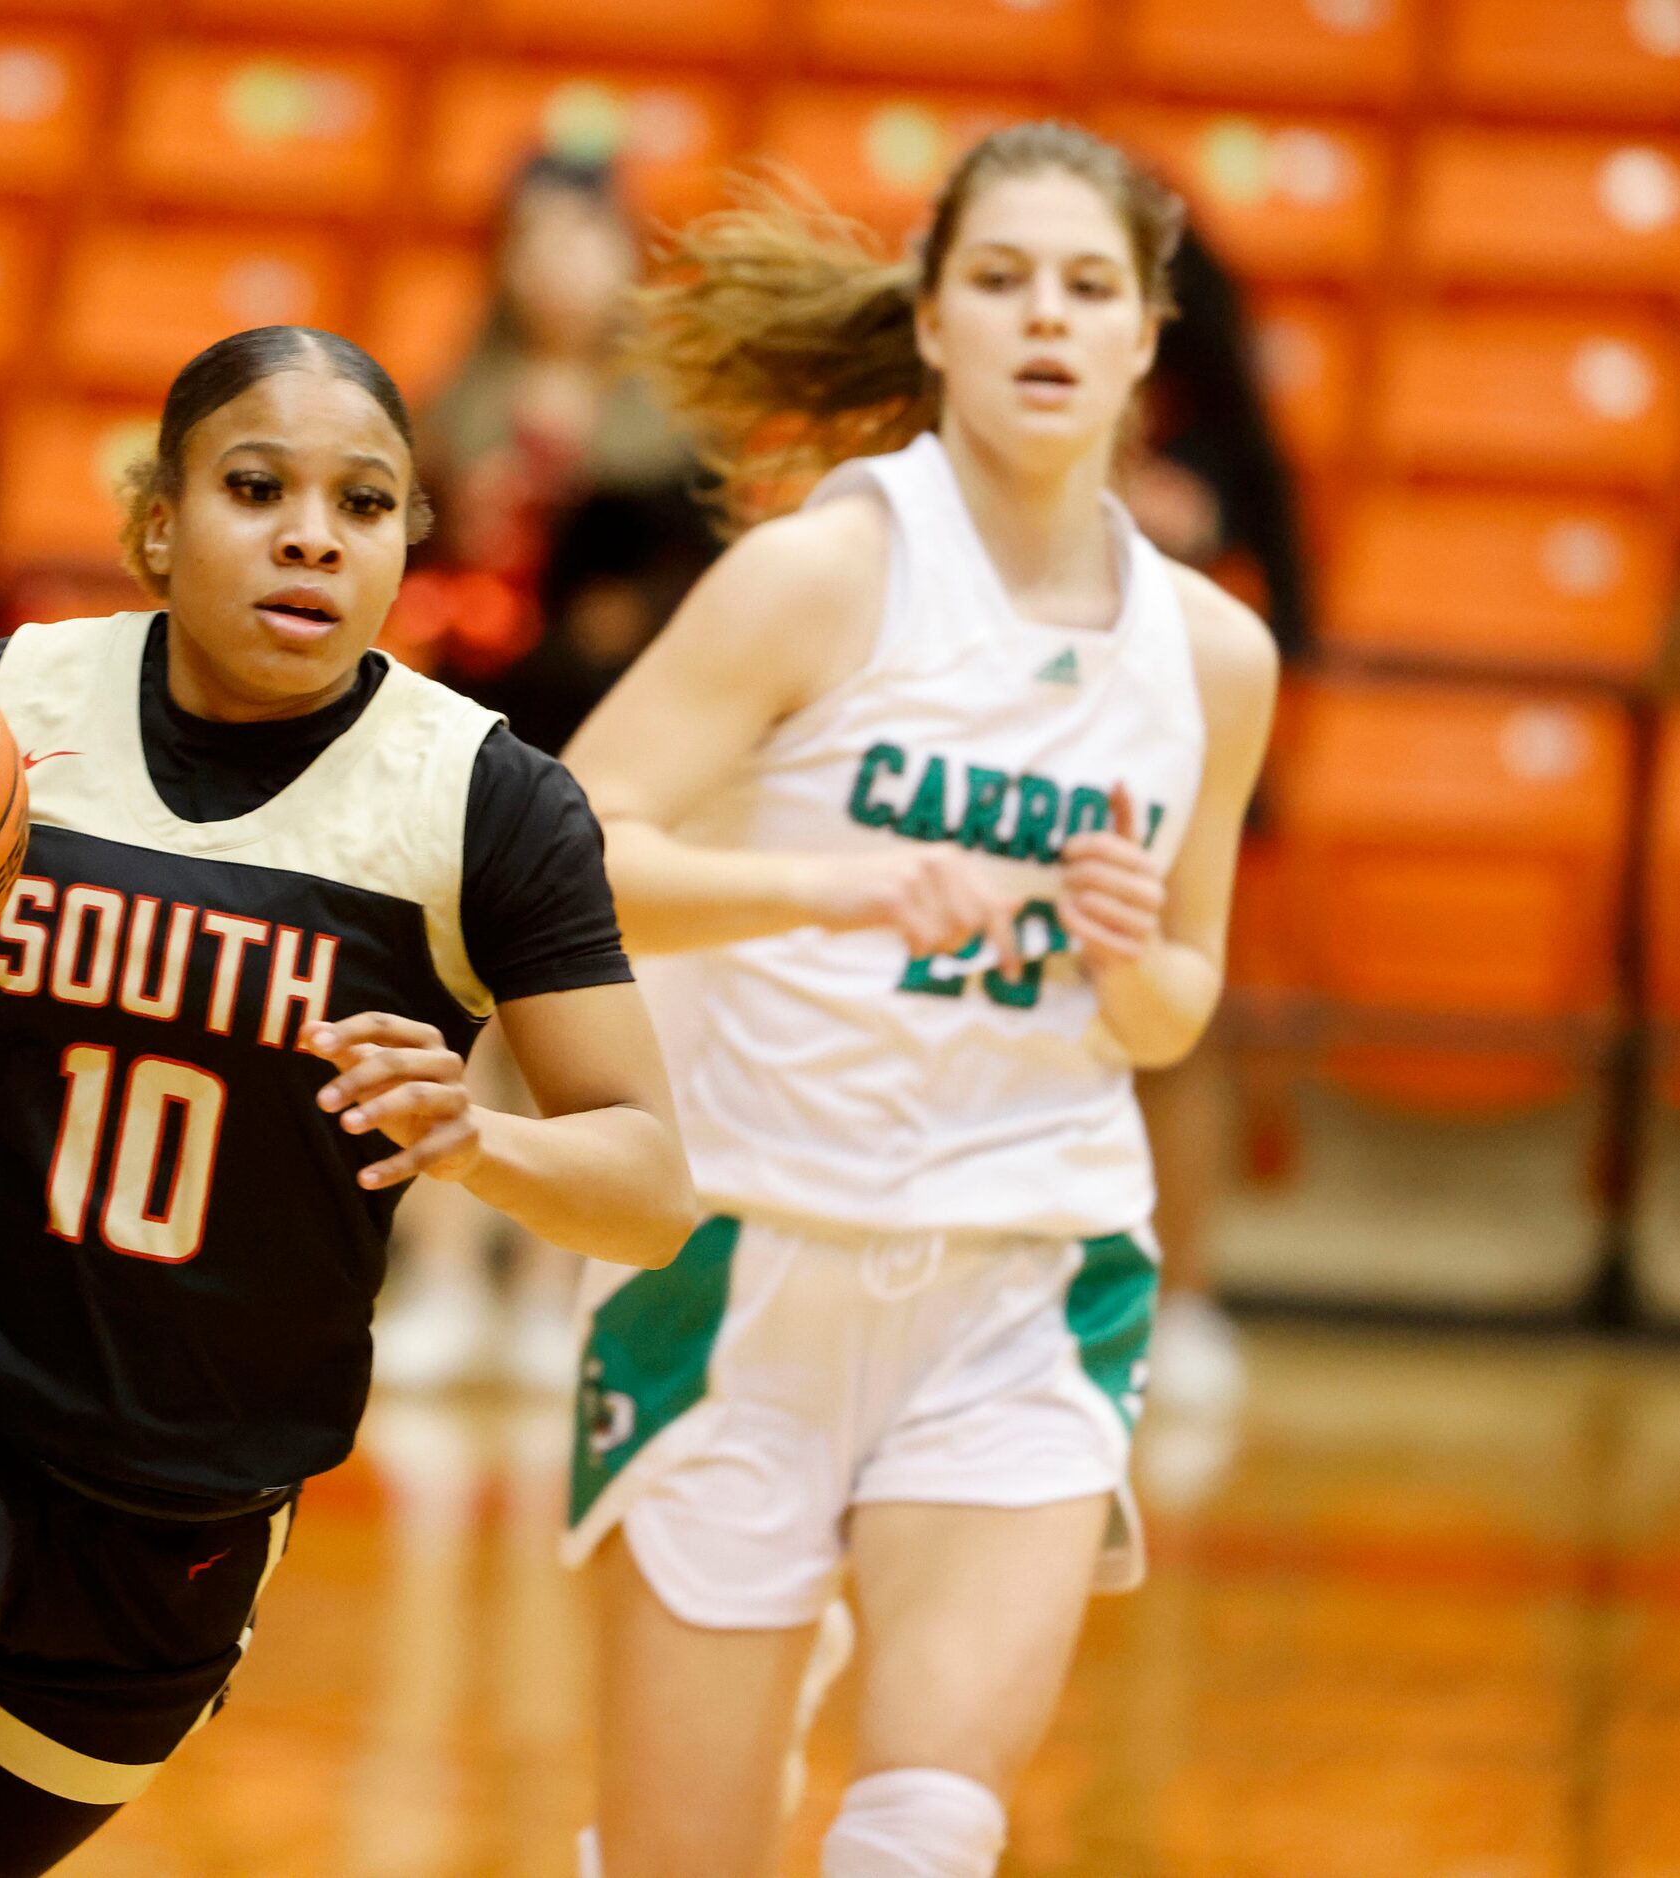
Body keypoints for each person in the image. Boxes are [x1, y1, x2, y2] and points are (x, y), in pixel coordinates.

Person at [0, 326, 696, 1878]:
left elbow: (653, 1185)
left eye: (367, 502)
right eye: (256, 485)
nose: (312, 532)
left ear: (409, 543)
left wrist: (485, 1139)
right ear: (156, 521)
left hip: (186, 1501)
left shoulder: (486, 799)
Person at [560, 124, 1279, 1877]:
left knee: (921, 1834)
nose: (1046, 316)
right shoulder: (823, 572)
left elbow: (1176, 1004)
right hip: (737, 1263)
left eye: (1087, 285)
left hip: (1023, 1275)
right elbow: (565, 845)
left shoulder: (1207, 655)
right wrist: (819, 885)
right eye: (1002, 277)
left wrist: (1129, 960)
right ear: (935, 319)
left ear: (1143, 336)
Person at [373, 153, 715, 1393]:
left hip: (611, 758)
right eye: (535, 238)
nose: (558, 264)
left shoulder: (673, 430)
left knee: (576, 1021)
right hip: (476, 743)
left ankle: (554, 1289)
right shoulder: (456, 406)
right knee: (455, 1017)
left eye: (584, 238)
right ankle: (446, 1277)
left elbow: (702, 607)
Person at [1118, 228, 1313, 1423]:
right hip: (1025, 774)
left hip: (1188, 771)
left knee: (1185, 1038)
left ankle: (1185, 1300)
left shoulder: (1227, 451)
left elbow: (1294, 608)